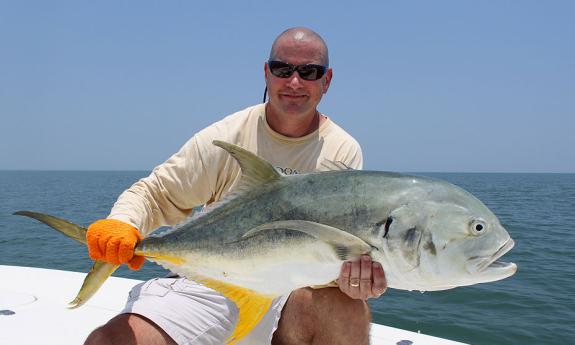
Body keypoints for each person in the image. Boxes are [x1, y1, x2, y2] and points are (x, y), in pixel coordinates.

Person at [84, 27, 387, 345]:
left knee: (348, 309)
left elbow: (337, 248)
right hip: (214, 280)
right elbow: (156, 193)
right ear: (266, 73)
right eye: (283, 69)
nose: (294, 82)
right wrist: (121, 223)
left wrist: (354, 280)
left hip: (289, 289)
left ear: (326, 81)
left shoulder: (341, 149)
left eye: (309, 71)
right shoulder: (228, 134)